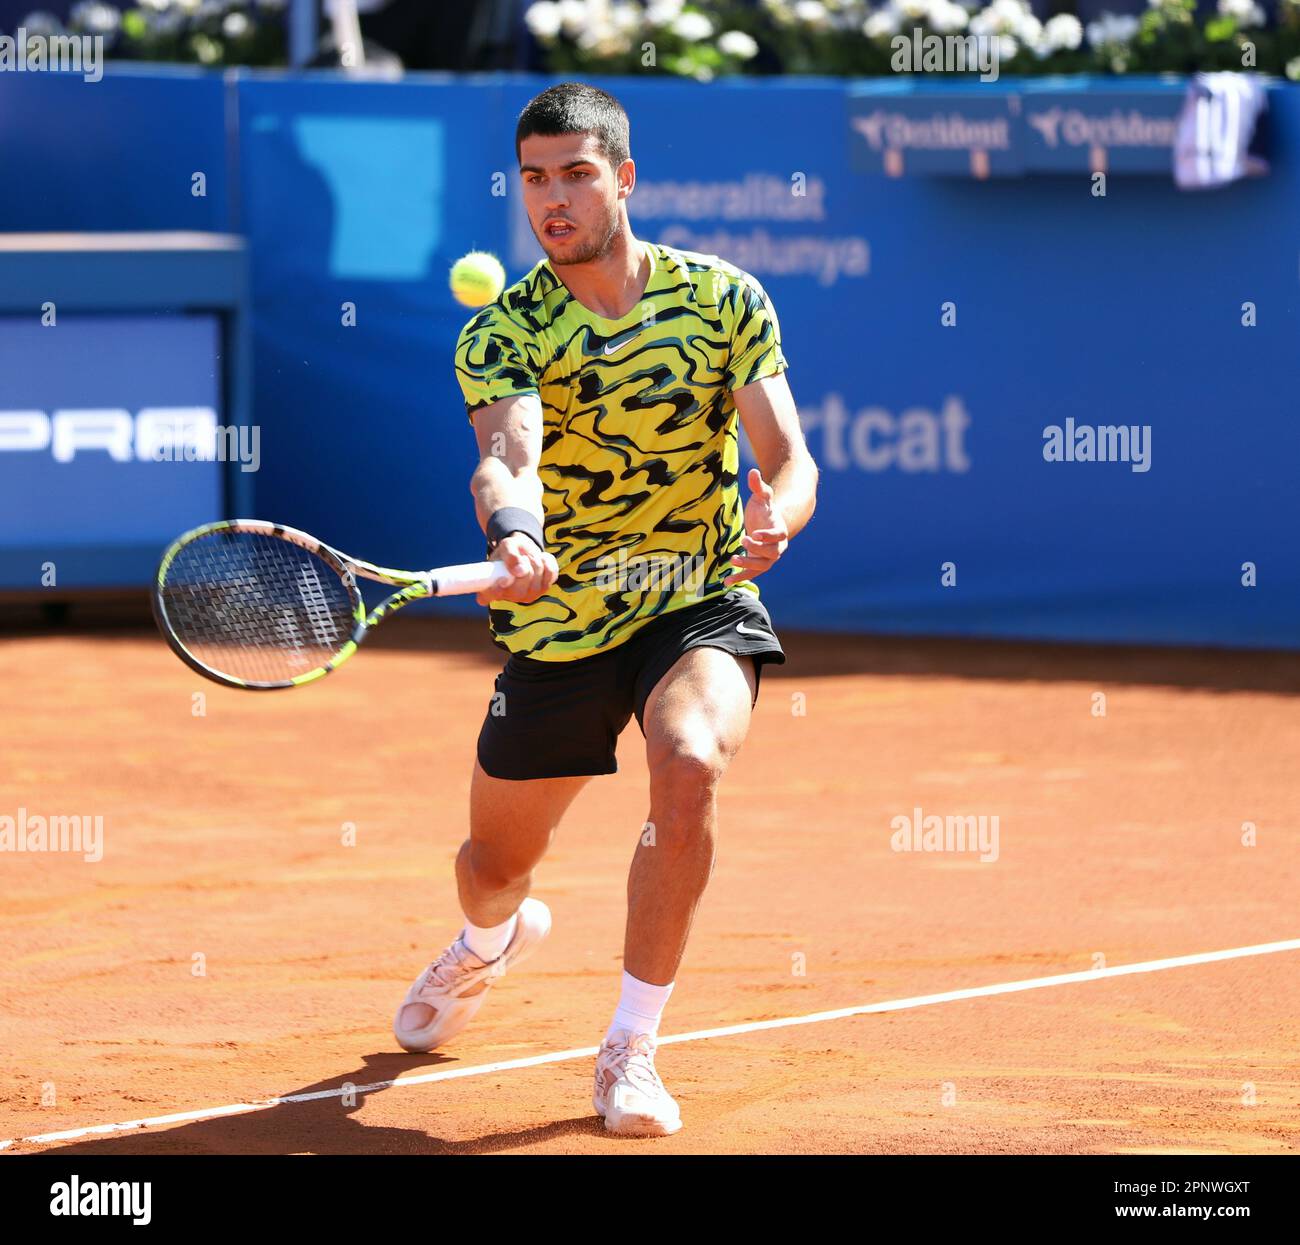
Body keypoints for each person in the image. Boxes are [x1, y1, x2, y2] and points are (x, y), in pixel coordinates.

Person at [393, 81, 818, 1138]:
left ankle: (629, 1045)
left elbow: (788, 458)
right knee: (492, 869)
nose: (553, 198)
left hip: (697, 598)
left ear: (622, 179)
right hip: (560, 623)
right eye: (534, 178)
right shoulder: (503, 332)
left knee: (687, 765)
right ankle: (488, 942)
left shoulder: (723, 299)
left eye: (576, 174)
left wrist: (783, 516)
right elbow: (506, 454)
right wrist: (517, 533)